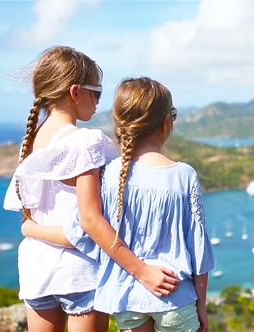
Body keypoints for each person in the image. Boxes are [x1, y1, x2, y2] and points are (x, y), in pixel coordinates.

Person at [3, 47, 178, 332]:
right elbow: (90, 221)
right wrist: (142, 271)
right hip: (79, 274)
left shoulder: (30, 141)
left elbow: (31, 220)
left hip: (36, 271)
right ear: (75, 92)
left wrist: (29, 230)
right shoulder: (86, 142)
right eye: (96, 92)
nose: (99, 102)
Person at [64, 77, 215, 332]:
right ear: (166, 122)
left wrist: (31, 230)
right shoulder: (184, 175)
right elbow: (198, 250)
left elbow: (82, 229)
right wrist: (202, 307)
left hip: (126, 298)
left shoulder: (105, 174)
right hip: (175, 297)